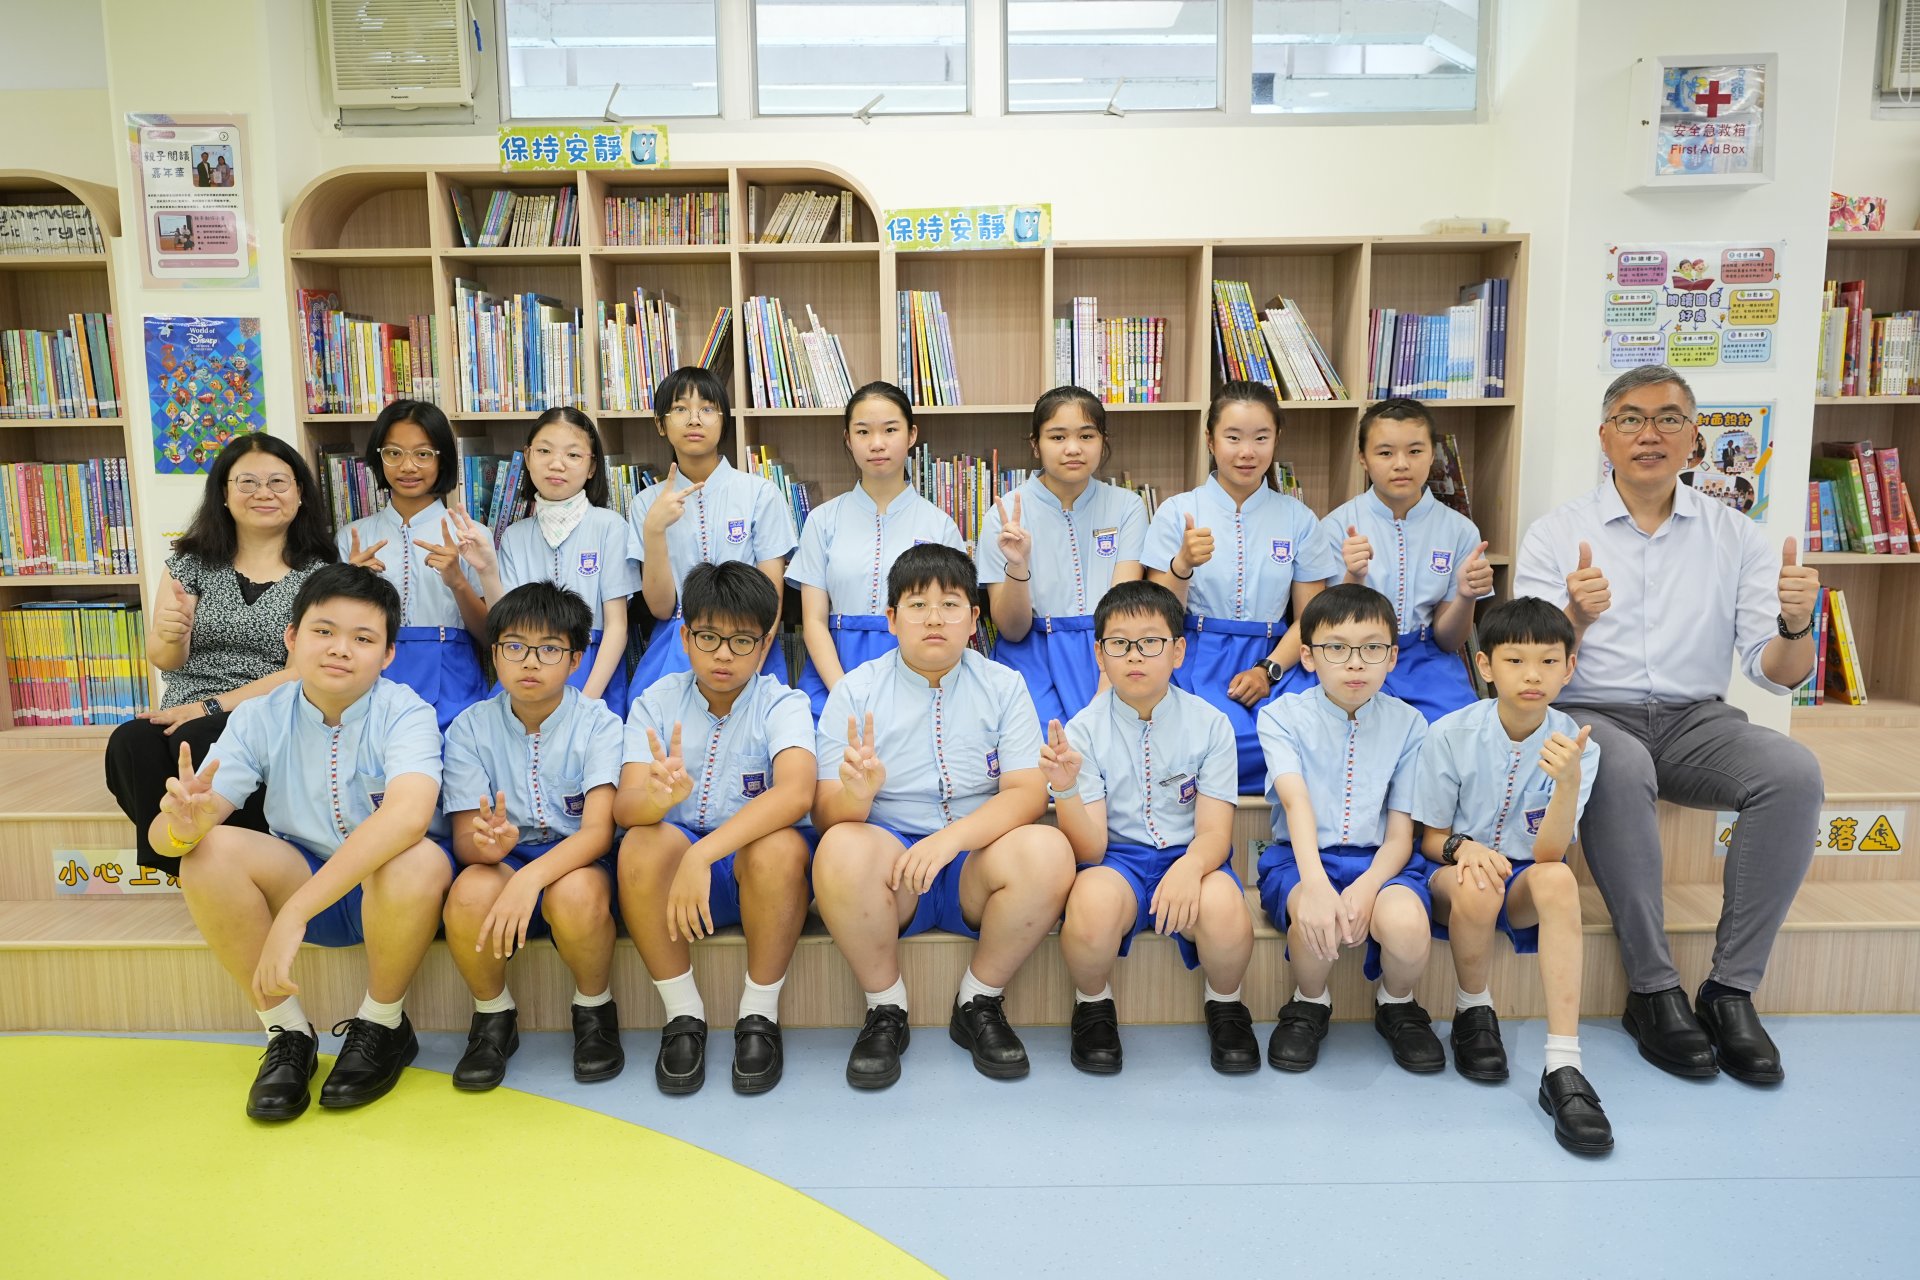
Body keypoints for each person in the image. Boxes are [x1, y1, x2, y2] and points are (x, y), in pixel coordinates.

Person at [1515, 364, 1823, 1086]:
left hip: (1696, 720)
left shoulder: (1736, 535)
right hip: (1591, 710)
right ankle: (1652, 990)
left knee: (1793, 772)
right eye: (1630, 419)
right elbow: (1529, 665)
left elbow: (1777, 671)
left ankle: (1730, 991)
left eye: (1668, 419)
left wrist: (1795, 623)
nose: (1648, 433)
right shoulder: (1557, 534)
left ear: (1694, 439)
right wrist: (1575, 617)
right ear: (1605, 437)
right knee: (1618, 764)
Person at [155, 564, 448, 1120]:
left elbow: (409, 817)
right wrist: (179, 827)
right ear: (292, 637)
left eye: (363, 639)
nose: (340, 649)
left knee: (416, 857)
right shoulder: (260, 715)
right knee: (207, 853)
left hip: (392, 897)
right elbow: (175, 836)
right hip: (304, 875)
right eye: (323, 631)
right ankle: (286, 1033)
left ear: (388, 654)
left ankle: (383, 1025)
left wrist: (294, 914)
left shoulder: (406, 711)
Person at [812, 545, 1075, 1088]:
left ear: (974, 619)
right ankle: (885, 1008)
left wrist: (950, 841)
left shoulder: (1004, 685)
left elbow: (1028, 793)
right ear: (891, 619)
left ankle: (979, 1001)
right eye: (917, 605)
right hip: (892, 867)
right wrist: (857, 795)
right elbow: (824, 812)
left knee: (1049, 850)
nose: (934, 618)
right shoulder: (855, 690)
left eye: (950, 604)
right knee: (838, 847)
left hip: (975, 862)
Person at [1413, 597, 1612, 1155]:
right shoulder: (1450, 733)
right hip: (1454, 875)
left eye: (1549, 662)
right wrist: (1466, 849)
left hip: (1525, 874)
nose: (1532, 675)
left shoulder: (1577, 744)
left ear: (1569, 668)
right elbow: (1429, 838)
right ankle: (1473, 1010)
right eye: (1516, 660)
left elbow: (1549, 854)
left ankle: (1564, 1065)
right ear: (1485, 665)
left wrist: (1567, 783)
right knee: (1479, 881)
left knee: (1560, 881)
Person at [617, 562, 816, 1095]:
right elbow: (625, 807)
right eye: (708, 637)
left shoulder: (784, 702)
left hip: (750, 873)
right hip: (674, 879)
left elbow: (797, 793)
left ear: (765, 643)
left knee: (779, 848)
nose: (723, 654)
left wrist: (701, 854)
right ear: (685, 638)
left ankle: (759, 1015)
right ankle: (683, 1016)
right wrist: (657, 801)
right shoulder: (655, 702)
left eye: (741, 640)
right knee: (640, 843)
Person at [1049, 581, 1257, 1075]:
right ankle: (1092, 1005)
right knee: (1091, 906)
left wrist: (1189, 868)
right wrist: (1065, 789)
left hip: (1191, 855)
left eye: (1150, 641)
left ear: (1178, 651)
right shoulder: (1083, 730)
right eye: (1119, 643)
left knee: (1226, 909)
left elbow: (1215, 833)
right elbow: (1090, 848)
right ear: (1099, 654)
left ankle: (1226, 1004)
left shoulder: (1211, 725)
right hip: (1116, 860)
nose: (1134, 655)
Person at [106, 433, 337, 874]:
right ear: (224, 495)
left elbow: (301, 671)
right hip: (183, 707)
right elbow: (165, 659)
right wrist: (171, 634)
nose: (264, 493)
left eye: (278, 482)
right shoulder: (189, 562)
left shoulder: (320, 575)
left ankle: (229, 864)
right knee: (129, 743)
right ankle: (183, 866)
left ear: (300, 495)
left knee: (201, 739)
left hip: (265, 710)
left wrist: (209, 707)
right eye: (247, 482)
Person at [439, 583, 626, 1091]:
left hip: (577, 860)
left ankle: (594, 1010)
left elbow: (598, 833)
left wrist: (530, 880)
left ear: (576, 660)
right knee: (470, 891)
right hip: (504, 861)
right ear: (494, 653)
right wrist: (488, 846)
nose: (530, 662)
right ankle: (492, 1016)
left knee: (577, 893)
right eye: (515, 646)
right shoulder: (469, 728)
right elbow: (465, 840)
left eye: (549, 649)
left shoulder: (600, 724)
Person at [1257, 584, 1440, 1075]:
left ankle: (1397, 1003)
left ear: (1392, 657)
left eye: (1372, 648)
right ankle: (1309, 1001)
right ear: (1309, 657)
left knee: (1406, 924)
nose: (1355, 663)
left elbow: (1401, 834)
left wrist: (1369, 884)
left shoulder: (1411, 725)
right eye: (1336, 648)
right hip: (1301, 857)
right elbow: (1295, 803)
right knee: (1313, 913)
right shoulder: (1281, 717)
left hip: (1381, 860)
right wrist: (1317, 884)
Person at [1144, 381, 1339, 792]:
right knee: (1214, 742)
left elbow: (1312, 618)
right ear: (1210, 440)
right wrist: (1182, 565)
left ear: (1276, 439)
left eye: (1260, 438)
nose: (1247, 452)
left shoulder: (1299, 519)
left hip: (1277, 657)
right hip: (1194, 655)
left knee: (1306, 743)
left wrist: (1268, 670)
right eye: (1233, 438)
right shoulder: (1178, 511)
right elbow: (1158, 616)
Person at [790, 381, 964, 717]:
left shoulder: (940, 526)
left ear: (911, 435)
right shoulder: (822, 520)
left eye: (890, 430)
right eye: (863, 432)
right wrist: (843, 692)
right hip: (832, 670)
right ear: (848, 439)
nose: (877, 443)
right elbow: (813, 621)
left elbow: (947, 619)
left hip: (916, 668)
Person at [979, 386, 1149, 727]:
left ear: (1102, 440)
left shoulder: (1127, 506)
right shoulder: (1005, 515)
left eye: (1086, 436)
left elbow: (1125, 606)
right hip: (1031, 656)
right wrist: (1017, 565)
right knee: (1043, 747)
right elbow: (1012, 630)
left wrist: (1109, 677)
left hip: (1111, 649)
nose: (1073, 448)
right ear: (1035, 444)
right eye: (1057, 437)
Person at [627, 367, 798, 695]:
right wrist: (654, 529)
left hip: (748, 643)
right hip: (677, 645)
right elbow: (661, 608)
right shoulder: (646, 503)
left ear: (724, 421)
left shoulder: (760, 494)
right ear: (661, 424)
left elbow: (771, 597)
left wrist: (752, 665)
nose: (694, 420)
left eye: (707, 409)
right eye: (680, 409)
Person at [1320, 397, 1491, 721]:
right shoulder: (1337, 526)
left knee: (1461, 730)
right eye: (1385, 453)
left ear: (1432, 454)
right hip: (1358, 659)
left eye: (1414, 451)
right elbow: (1332, 630)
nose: (1401, 464)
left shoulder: (1459, 530)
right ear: (1362, 458)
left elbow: (1449, 640)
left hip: (1428, 660)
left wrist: (1466, 596)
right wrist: (1354, 577)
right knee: (1360, 729)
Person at [338, 399, 495, 730]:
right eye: (394, 453)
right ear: (378, 457)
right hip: (371, 671)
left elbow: (489, 637)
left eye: (423, 454)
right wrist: (353, 586)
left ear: (442, 458)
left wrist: (458, 582)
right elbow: (336, 633)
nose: (407, 466)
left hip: (453, 678)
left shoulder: (471, 535)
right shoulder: (353, 537)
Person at [497, 407, 638, 709]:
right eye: (544, 451)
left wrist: (586, 703)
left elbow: (617, 626)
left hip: (593, 670)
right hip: (527, 670)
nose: (556, 464)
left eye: (573, 455)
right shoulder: (513, 536)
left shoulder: (610, 527)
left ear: (592, 466)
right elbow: (507, 628)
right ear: (527, 457)